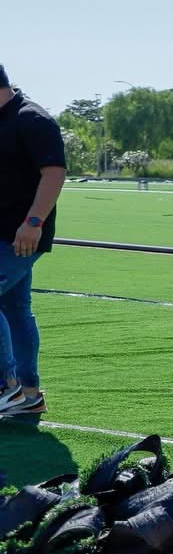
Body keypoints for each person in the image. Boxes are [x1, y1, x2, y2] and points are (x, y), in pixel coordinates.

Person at [0, 65, 66, 418]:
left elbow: (54, 171)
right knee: (15, 310)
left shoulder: (32, 119)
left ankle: (6, 388)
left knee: (15, 311)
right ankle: (28, 394)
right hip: (5, 234)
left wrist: (34, 222)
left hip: (21, 234)